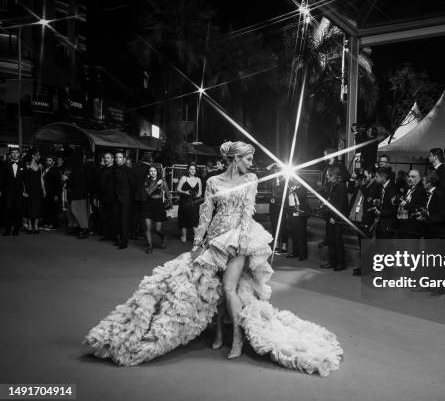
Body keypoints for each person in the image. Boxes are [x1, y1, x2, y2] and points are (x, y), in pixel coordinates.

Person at [84, 141, 342, 376]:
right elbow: (206, 213)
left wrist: (241, 238)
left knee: (230, 287)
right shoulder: (213, 181)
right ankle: (219, 332)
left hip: (240, 238)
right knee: (216, 288)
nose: (252, 163)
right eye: (248, 158)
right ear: (235, 159)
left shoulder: (251, 178)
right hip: (214, 239)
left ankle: (238, 338)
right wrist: (197, 243)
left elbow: (247, 211)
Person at [320, 166, 348, 271]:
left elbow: (340, 205)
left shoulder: (340, 186)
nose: (326, 177)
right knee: (331, 240)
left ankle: (341, 263)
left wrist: (335, 218)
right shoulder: (331, 185)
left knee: (338, 241)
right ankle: (332, 262)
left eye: (328, 175)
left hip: (336, 218)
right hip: (329, 217)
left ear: (333, 175)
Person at [142, 166, 169, 254]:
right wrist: (157, 183)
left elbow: (167, 192)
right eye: (151, 171)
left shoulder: (162, 181)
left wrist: (170, 203)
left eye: (154, 171)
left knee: (158, 230)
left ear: (157, 172)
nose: (153, 172)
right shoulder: (146, 181)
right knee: (148, 227)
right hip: (148, 205)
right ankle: (150, 245)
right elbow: (149, 192)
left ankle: (163, 236)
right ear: (148, 172)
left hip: (158, 205)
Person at [394, 169, 427, 239]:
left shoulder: (421, 191)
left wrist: (406, 205)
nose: (409, 179)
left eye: (413, 177)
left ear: (419, 179)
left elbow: (420, 207)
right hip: (401, 223)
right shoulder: (406, 188)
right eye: (408, 176)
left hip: (412, 226)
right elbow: (398, 198)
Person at [0, 147, 24, 236]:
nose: (14, 154)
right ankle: (7, 229)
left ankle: (16, 229)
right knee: (7, 211)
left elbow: (26, 179)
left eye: (16, 153)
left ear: (19, 154)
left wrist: (26, 191)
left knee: (18, 211)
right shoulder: (5, 164)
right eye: (13, 153)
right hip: (7, 192)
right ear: (10, 155)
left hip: (19, 192)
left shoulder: (23, 165)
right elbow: (1, 178)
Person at [66, 152, 91, 239]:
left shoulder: (76, 169)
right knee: (80, 212)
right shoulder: (83, 168)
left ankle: (84, 229)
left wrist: (67, 180)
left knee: (78, 212)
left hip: (77, 194)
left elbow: (74, 181)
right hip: (82, 194)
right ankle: (82, 229)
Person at [113, 151, 134, 249]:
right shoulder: (114, 169)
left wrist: (130, 200)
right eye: (116, 157)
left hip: (126, 200)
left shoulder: (129, 171)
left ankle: (124, 242)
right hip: (116, 199)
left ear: (124, 159)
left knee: (124, 221)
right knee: (117, 220)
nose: (118, 159)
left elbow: (133, 186)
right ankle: (120, 239)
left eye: (120, 157)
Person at [177, 163, 202, 244]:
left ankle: (196, 238)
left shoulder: (198, 179)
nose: (192, 171)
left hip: (194, 202)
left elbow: (200, 191)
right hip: (184, 202)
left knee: (195, 220)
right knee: (184, 219)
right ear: (188, 170)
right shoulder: (184, 178)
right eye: (191, 169)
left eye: (194, 169)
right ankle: (184, 236)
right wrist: (185, 192)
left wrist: (197, 195)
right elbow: (178, 189)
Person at [286, 179, 310, 261]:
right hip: (293, 213)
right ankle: (295, 252)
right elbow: (288, 199)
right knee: (294, 234)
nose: (294, 181)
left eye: (296, 180)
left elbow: (301, 197)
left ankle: (303, 254)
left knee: (301, 234)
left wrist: (294, 190)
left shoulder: (302, 188)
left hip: (301, 214)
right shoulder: (293, 188)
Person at [22, 150, 44, 234]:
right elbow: (24, 180)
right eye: (37, 155)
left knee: (37, 207)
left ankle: (36, 225)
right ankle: (30, 225)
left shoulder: (40, 166)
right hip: (29, 189)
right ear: (33, 156)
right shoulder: (27, 166)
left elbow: (41, 178)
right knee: (29, 207)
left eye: (39, 155)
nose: (39, 157)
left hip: (38, 189)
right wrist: (24, 190)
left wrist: (44, 189)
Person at [373, 167, 397, 239]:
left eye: (376, 176)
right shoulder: (381, 187)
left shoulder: (392, 188)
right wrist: (379, 202)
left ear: (383, 177)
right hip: (381, 223)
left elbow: (394, 209)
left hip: (388, 224)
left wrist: (381, 213)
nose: (375, 178)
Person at [97, 153, 116, 241]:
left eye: (108, 158)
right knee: (104, 216)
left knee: (112, 217)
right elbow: (99, 182)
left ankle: (113, 235)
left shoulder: (115, 169)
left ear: (112, 159)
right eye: (105, 158)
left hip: (112, 197)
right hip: (103, 196)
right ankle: (106, 235)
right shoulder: (103, 169)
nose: (106, 159)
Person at [42, 155, 62, 230]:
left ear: (53, 162)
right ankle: (47, 222)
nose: (48, 162)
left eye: (50, 160)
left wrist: (57, 194)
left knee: (53, 209)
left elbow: (58, 183)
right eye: (47, 160)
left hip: (53, 193)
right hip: (46, 192)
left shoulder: (56, 170)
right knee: (46, 208)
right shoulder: (44, 169)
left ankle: (53, 224)